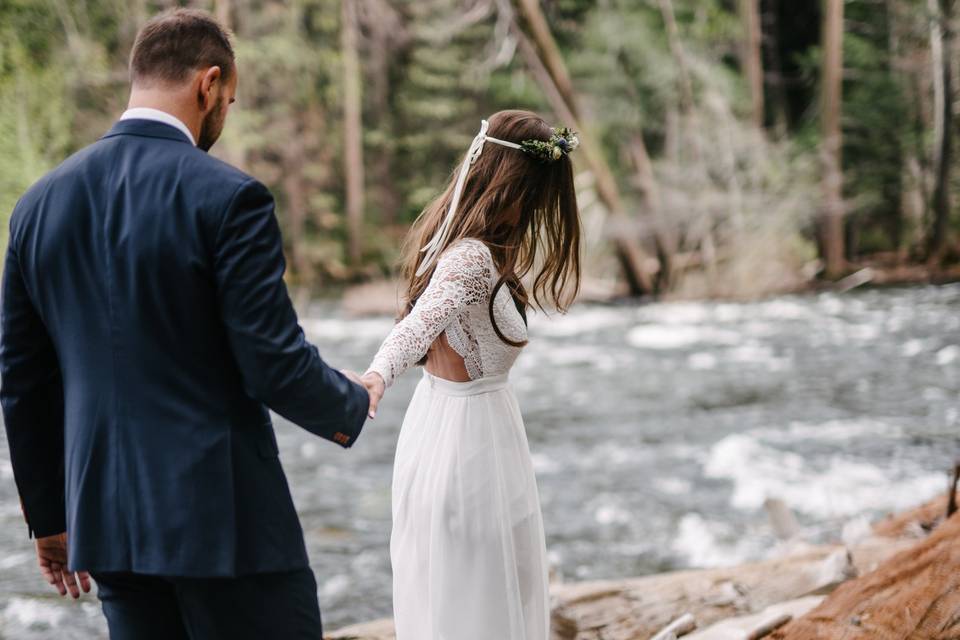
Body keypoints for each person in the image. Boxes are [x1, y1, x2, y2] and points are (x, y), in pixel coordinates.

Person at [0, 8, 379, 639]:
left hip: (106, 522)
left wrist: (49, 518)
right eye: (228, 99)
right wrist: (350, 399)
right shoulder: (229, 197)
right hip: (222, 520)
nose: (223, 117)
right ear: (207, 84)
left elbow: (20, 378)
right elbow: (271, 361)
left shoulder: (37, 205)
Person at [361, 110, 582, 639]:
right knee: (478, 597)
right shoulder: (472, 260)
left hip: (463, 429)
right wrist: (377, 376)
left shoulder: (472, 249)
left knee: (483, 590)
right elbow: (419, 325)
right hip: (468, 444)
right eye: (538, 195)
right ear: (513, 186)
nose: (539, 211)